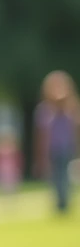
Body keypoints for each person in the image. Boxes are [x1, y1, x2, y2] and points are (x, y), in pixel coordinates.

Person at [35, 70, 80, 215]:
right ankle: (59, 203)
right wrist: (42, 156)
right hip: (53, 149)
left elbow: (75, 129)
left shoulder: (71, 109)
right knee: (55, 177)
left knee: (65, 176)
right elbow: (43, 135)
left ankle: (64, 203)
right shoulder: (45, 110)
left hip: (67, 148)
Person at [0, 128, 23, 206]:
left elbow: (18, 160)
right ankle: (4, 202)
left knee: (12, 186)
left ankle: (11, 201)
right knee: (1, 186)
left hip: (11, 170)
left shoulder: (14, 149)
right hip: (1, 171)